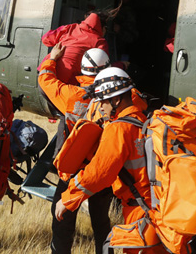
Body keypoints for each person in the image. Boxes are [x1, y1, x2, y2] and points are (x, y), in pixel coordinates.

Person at [54, 67, 167, 254]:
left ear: (116, 100)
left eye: (103, 101)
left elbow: (99, 173)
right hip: (159, 210)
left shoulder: (119, 129)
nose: (100, 107)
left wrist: (67, 199)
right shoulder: (143, 120)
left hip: (140, 212)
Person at [38, 42, 113, 254]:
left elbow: (45, 79)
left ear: (82, 69)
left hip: (73, 170)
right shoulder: (115, 99)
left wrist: (52, 58)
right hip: (101, 170)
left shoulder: (71, 95)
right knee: (101, 223)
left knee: (62, 219)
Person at [40, 7, 119, 86]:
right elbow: (102, 67)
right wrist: (121, 65)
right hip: (65, 82)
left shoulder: (71, 27)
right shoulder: (100, 41)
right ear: (103, 28)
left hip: (45, 72)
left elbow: (45, 39)